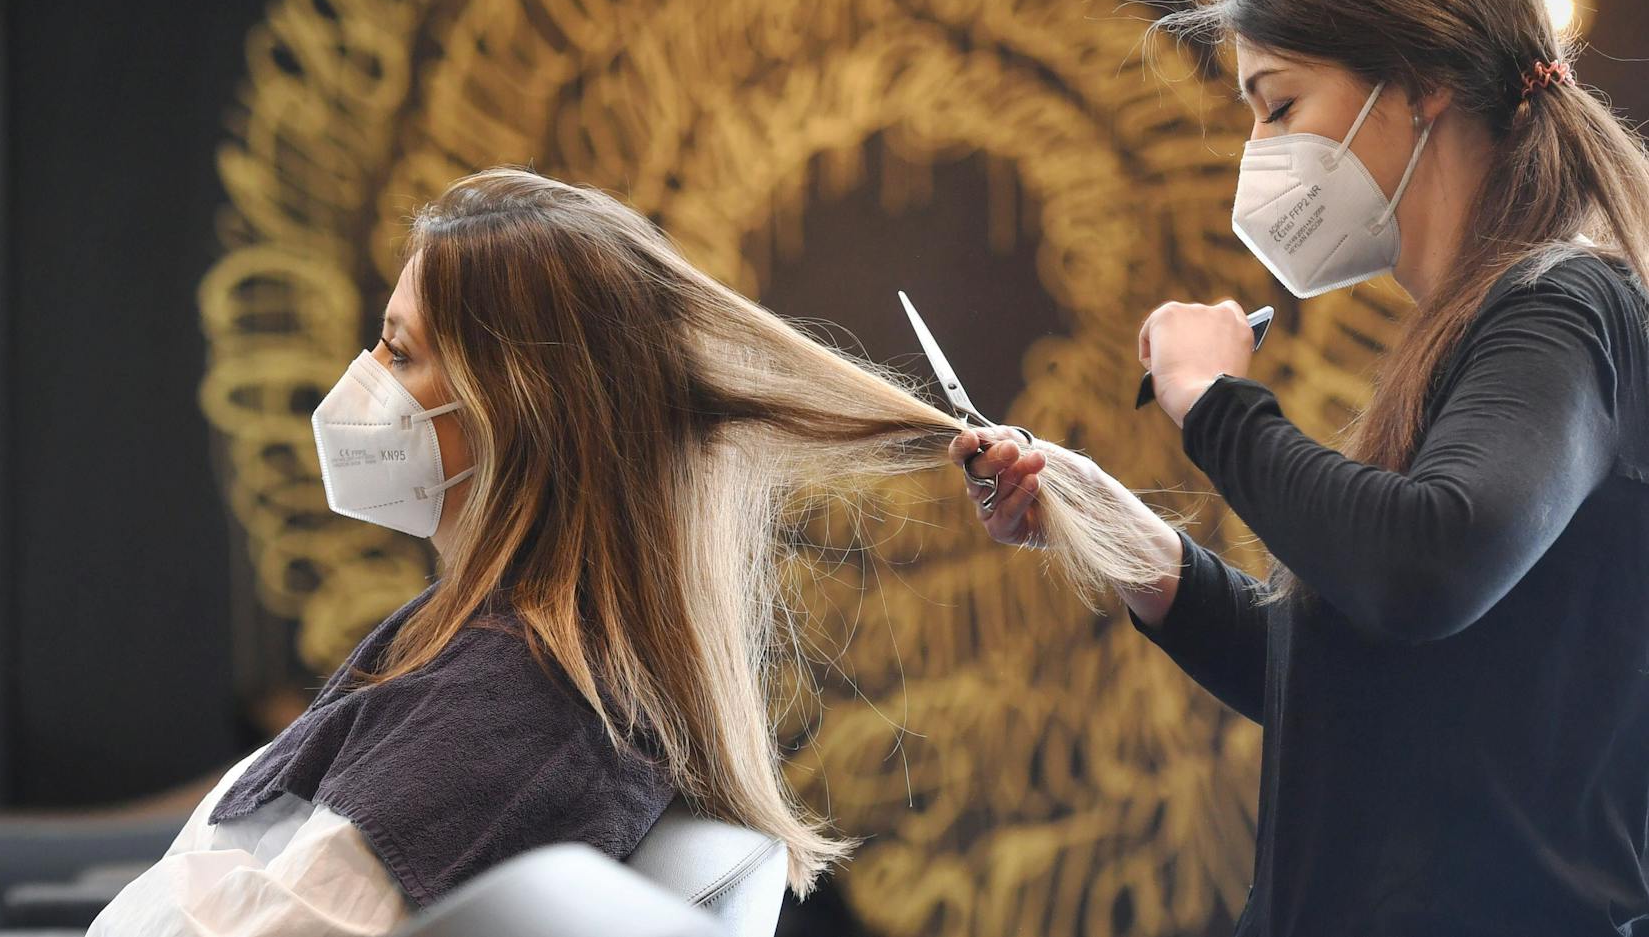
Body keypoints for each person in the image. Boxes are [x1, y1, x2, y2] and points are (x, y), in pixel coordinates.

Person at [92, 168, 1153, 934]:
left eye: (401, 349)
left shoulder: (505, 715)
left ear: (518, 409)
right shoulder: (488, 657)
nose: (362, 375)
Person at [955, 0, 1649, 934]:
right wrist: (1122, 534)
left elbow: (1422, 565)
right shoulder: (1472, 331)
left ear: (1413, 87)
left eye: (1276, 104)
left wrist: (1211, 400)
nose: (1259, 150)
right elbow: (1357, 686)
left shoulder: (1560, 307)